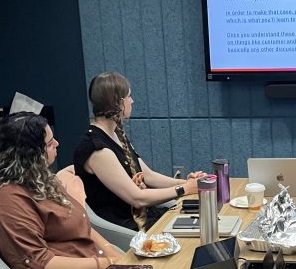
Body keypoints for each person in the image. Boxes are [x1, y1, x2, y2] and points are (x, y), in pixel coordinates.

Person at [0, 112, 125, 269]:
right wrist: (105, 263)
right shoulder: (4, 200)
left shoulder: (38, 178)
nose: (57, 144)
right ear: (29, 154)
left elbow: (82, 227)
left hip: (89, 263)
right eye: (50, 143)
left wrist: (112, 253)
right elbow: (42, 267)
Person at [74, 72, 205, 231]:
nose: (132, 101)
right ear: (118, 103)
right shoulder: (97, 149)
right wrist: (184, 189)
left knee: (206, 220)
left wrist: (187, 183)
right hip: (129, 228)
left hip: (146, 217)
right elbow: (137, 198)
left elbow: (148, 175)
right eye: (129, 96)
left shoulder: (115, 134)